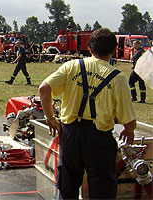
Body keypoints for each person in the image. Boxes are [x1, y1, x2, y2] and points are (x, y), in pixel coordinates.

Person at [39, 28, 136, 199]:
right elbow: (129, 121)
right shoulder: (118, 78)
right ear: (113, 51)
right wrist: (129, 130)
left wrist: (50, 118)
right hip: (99, 138)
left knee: (67, 187)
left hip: (70, 135)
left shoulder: (71, 66)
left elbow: (44, 88)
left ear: (90, 49)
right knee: (102, 190)